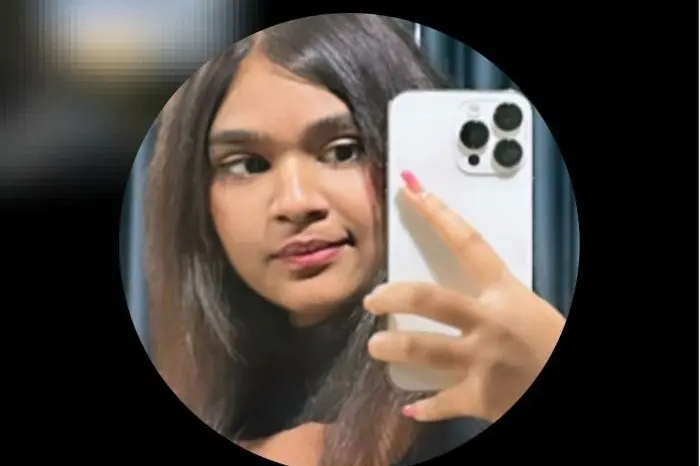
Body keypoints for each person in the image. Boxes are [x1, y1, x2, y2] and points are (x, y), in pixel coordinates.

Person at [145, 13, 566, 466]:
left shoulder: (495, 388)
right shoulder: (202, 387)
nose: (296, 202)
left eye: (343, 151)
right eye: (248, 165)